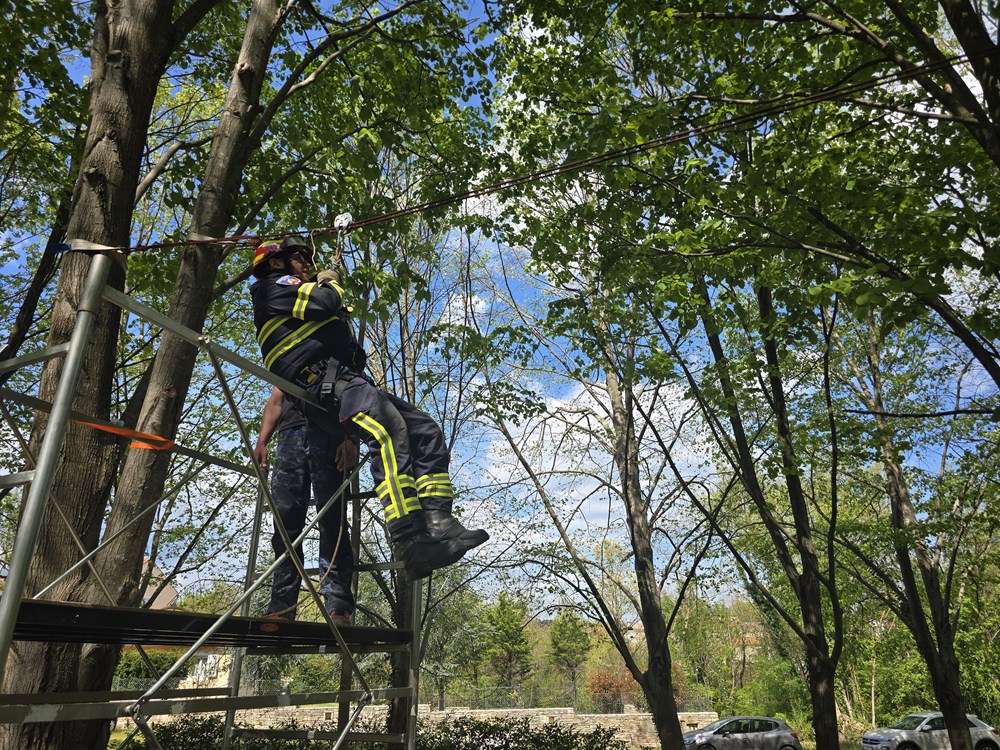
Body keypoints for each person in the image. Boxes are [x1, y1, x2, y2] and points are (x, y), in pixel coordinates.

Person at [249, 235, 488, 580]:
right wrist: (330, 280)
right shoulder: (274, 288)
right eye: (302, 259)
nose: (309, 266)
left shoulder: (291, 296)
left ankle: (438, 520)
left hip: (342, 380)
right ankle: (408, 538)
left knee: (424, 431)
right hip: (319, 384)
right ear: (276, 262)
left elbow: (331, 326)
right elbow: (323, 302)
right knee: (388, 429)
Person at [253, 386, 358, 624]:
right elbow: (276, 401)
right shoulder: (292, 358)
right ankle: (281, 607)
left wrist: (351, 438)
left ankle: (338, 606)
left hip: (331, 434)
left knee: (332, 520)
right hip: (290, 436)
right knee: (284, 522)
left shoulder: (345, 354)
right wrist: (261, 441)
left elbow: (355, 398)